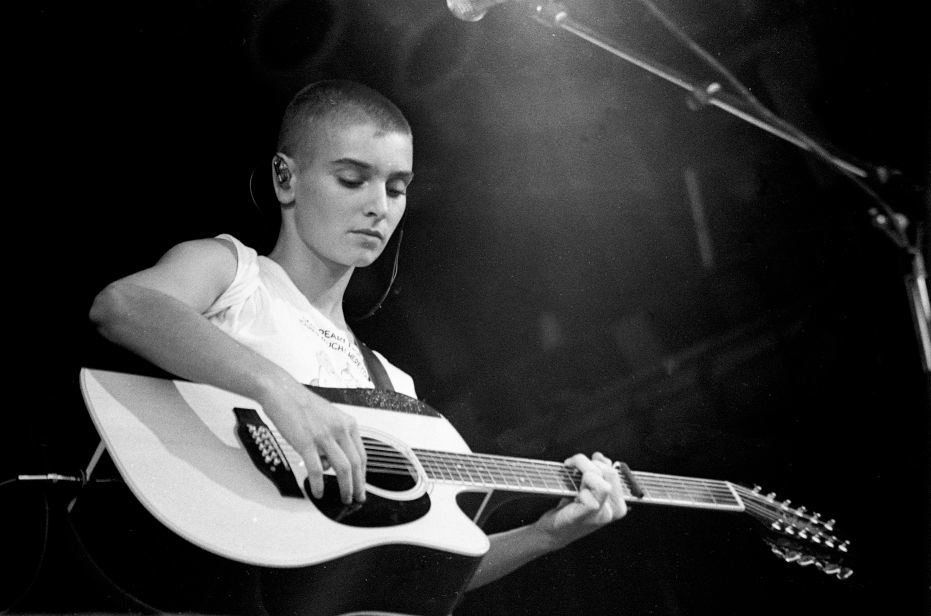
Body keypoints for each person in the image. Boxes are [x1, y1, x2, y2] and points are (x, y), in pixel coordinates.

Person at [89, 79, 628, 607]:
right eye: (353, 179)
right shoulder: (235, 274)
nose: (380, 207)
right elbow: (123, 306)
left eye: (396, 188)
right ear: (285, 178)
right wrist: (285, 394)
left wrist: (547, 535)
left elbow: (411, 569)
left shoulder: (393, 385)